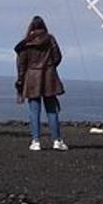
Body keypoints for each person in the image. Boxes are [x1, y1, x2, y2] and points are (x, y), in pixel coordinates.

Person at [14, 16, 67, 151]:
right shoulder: (50, 39)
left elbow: (21, 64)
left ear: (31, 27)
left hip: (32, 77)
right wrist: (50, 67)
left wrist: (20, 80)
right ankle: (57, 141)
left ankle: (36, 141)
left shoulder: (25, 43)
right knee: (51, 110)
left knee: (34, 111)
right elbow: (57, 57)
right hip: (49, 77)